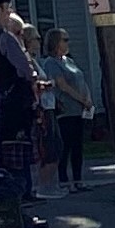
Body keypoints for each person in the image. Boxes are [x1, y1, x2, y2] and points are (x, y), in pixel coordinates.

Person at [0, 0, 46, 186]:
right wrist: (33, 76)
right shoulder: (5, 38)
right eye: (7, 9)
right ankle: (21, 193)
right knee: (17, 151)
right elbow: (25, 69)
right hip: (14, 102)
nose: (10, 12)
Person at [37, 25, 93, 194]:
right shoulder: (51, 63)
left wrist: (88, 98)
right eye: (65, 40)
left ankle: (78, 180)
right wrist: (80, 98)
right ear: (55, 42)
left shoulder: (70, 61)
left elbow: (80, 79)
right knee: (65, 146)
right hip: (65, 110)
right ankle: (63, 180)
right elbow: (62, 85)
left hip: (79, 110)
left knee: (78, 146)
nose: (68, 43)